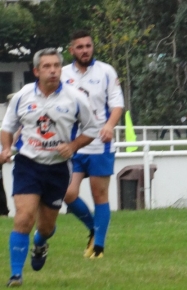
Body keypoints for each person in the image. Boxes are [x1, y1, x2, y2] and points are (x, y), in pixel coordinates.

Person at [0, 48, 97, 287]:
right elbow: (7, 126)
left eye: (56, 65)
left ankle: (41, 243)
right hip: (27, 164)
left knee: (46, 226)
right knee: (23, 217)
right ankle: (15, 275)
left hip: (57, 168)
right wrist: (5, 148)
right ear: (36, 71)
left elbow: (92, 130)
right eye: (47, 66)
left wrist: (73, 145)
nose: (53, 70)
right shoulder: (23, 96)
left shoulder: (75, 98)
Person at [61, 30, 124, 259]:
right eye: (80, 47)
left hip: (100, 144)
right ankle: (92, 228)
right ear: (72, 50)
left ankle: (98, 247)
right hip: (74, 144)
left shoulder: (106, 71)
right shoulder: (62, 73)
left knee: (100, 196)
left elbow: (117, 104)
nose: (85, 50)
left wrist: (109, 126)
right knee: (67, 193)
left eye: (88, 46)